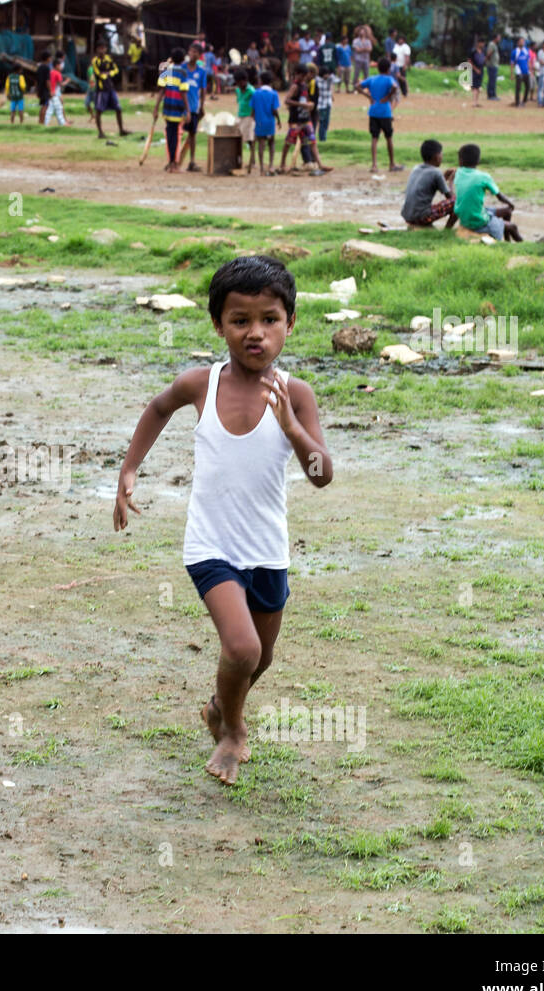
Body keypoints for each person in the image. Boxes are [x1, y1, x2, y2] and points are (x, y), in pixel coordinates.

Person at [113, 255, 332, 786]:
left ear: (290, 323)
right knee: (242, 648)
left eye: (269, 320)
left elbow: (322, 473)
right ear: (219, 325)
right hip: (210, 547)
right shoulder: (200, 384)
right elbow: (159, 407)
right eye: (240, 321)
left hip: (268, 549)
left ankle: (217, 707)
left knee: (261, 659)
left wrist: (292, 428)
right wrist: (130, 468)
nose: (255, 333)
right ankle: (232, 732)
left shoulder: (295, 394)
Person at [453, 143, 521, 241]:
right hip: (478, 222)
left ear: (460, 160)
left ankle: (507, 241)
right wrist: (511, 203)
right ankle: (521, 245)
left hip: (465, 219)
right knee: (513, 227)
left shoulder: (458, 173)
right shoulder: (483, 177)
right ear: (478, 160)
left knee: (506, 211)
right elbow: (499, 196)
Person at [357, 57, 403, 173]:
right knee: (389, 138)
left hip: (373, 111)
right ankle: (392, 164)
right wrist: (388, 96)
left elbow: (357, 86)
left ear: (378, 68)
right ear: (388, 69)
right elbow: (395, 87)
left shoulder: (372, 79)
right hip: (385, 112)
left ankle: (374, 165)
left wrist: (368, 96)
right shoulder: (389, 79)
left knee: (374, 138)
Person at [401, 139, 456, 228]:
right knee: (456, 202)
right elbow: (450, 197)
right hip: (421, 217)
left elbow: (430, 184)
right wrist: (451, 181)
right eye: (441, 154)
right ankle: (447, 230)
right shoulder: (436, 172)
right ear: (436, 156)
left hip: (407, 215)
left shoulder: (416, 168)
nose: (442, 156)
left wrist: (443, 177)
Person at [152, 49, 190, 172]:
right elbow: (183, 92)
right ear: (183, 60)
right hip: (178, 108)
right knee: (175, 137)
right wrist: (188, 110)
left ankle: (171, 162)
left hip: (167, 107)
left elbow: (161, 90)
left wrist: (156, 108)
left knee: (170, 135)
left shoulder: (166, 70)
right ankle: (173, 163)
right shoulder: (183, 72)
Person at [280, 63, 316, 174]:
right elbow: (286, 100)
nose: (304, 78)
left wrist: (309, 105)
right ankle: (282, 164)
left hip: (304, 118)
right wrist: (303, 105)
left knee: (308, 141)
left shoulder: (304, 85)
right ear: (297, 74)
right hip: (295, 120)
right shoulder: (294, 86)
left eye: (305, 76)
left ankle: (314, 163)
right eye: (302, 76)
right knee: (289, 142)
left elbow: (306, 99)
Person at [91, 38, 129, 138]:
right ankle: (100, 132)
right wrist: (105, 75)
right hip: (101, 89)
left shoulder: (109, 59)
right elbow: (98, 74)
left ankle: (121, 130)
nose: (102, 50)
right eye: (100, 48)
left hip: (110, 88)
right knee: (99, 110)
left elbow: (116, 69)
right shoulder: (95, 61)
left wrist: (109, 73)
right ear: (97, 50)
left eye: (103, 48)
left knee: (118, 108)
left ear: (106, 49)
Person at [180, 44, 206, 171]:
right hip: (180, 107)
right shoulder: (181, 68)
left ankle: (192, 161)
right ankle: (174, 159)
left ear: (199, 55)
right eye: (191, 51)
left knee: (192, 134)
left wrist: (202, 106)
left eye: (196, 52)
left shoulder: (201, 72)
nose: (193, 54)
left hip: (194, 107)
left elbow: (203, 90)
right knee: (178, 133)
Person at [250, 69, 279, 175]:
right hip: (270, 122)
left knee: (261, 144)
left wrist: (252, 119)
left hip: (259, 122)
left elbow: (252, 110)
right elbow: (274, 110)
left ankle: (262, 168)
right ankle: (271, 165)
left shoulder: (256, 94)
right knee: (271, 143)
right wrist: (279, 120)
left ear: (260, 81)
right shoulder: (274, 94)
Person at [234, 69, 256, 175]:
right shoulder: (237, 90)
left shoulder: (251, 91)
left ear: (244, 81)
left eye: (239, 82)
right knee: (236, 137)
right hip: (240, 115)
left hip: (249, 116)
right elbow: (239, 101)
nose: (238, 84)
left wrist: (252, 117)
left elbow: (255, 105)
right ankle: (238, 159)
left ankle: (252, 160)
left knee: (249, 139)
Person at [44, 50, 70, 127]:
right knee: (59, 108)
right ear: (56, 65)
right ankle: (62, 123)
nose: (61, 67)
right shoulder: (58, 74)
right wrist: (67, 81)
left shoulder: (51, 72)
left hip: (51, 92)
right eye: (60, 65)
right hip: (54, 93)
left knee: (50, 109)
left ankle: (46, 123)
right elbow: (61, 84)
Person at [511, 36, 530, 106]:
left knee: (528, 87)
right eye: (521, 41)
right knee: (518, 88)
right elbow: (512, 63)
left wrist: (530, 70)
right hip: (519, 72)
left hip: (526, 71)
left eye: (523, 41)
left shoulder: (526, 50)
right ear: (518, 43)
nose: (522, 42)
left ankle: (524, 101)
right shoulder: (515, 51)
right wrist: (512, 74)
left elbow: (528, 61)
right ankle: (517, 102)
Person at [36, 49, 52, 124]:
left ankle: (40, 121)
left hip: (40, 89)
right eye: (50, 57)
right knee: (45, 106)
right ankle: (42, 122)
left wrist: (37, 90)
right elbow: (47, 81)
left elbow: (36, 80)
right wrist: (50, 90)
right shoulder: (46, 68)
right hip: (45, 90)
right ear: (47, 58)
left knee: (42, 106)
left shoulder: (39, 67)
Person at [469, 38, 486, 107]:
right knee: (474, 87)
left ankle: (476, 102)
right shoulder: (473, 51)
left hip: (481, 70)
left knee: (478, 86)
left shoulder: (483, 51)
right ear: (478, 43)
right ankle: (474, 102)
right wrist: (475, 69)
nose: (483, 44)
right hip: (474, 71)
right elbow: (469, 61)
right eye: (482, 43)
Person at [486, 34, 500, 101]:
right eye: (498, 37)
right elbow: (489, 54)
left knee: (493, 80)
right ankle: (490, 95)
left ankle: (494, 94)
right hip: (492, 65)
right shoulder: (492, 44)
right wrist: (489, 62)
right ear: (495, 38)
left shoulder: (494, 44)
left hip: (495, 65)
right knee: (491, 80)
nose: (499, 39)